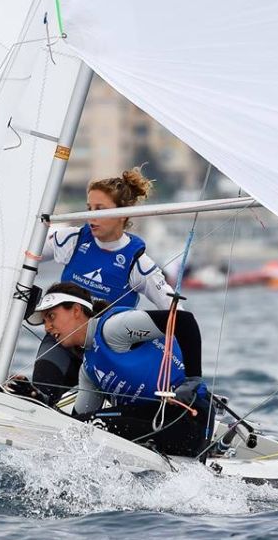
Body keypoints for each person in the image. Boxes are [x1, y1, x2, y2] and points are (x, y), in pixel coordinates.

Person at [25, 167, 178, 405]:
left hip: (107, 351)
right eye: (89, 208)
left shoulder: (137, 263)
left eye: (100, 209)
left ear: (122, 214)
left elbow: (175, 312)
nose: (91, 217)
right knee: (41, 392)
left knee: (94, 413)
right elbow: (23, 256)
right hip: (64, 339)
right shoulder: (72, 239)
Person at [27, 282, 213, 458]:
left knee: (91, 424)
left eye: (51, 317)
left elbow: (185, 321)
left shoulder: (113, 328)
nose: (47, 327)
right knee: (78, 428)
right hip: (154, 424)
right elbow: (77, 422)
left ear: (76, 310)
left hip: (187, 419)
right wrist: (38, 399)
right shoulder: (88, 370)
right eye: (44, 321)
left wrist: (193, 379)